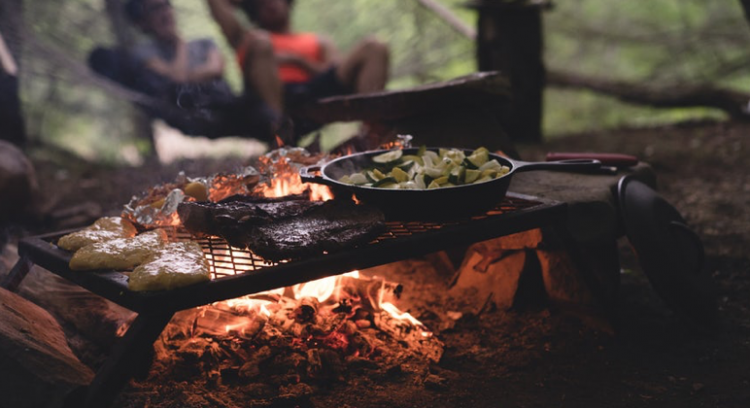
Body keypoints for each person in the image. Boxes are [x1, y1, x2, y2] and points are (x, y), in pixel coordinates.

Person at [206, 0, 389, 136]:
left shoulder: (318, 41)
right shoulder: (248, 39)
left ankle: (371, 131)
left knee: (375, 47)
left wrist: (296, 60)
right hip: (272, 100)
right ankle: (280, 134)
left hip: (315, 90)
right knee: (261, 41)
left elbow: (336, 72)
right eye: (262, 2)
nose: (270, 4)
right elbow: (217, 7)